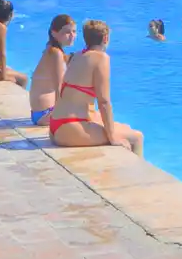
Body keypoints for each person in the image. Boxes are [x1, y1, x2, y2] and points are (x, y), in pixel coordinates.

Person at [47, 19, 144, 156]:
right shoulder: (101, 58)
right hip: (70, 128)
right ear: (105, 38)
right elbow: (104, 102)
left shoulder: (76, 56)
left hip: (56, 125)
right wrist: (112, 137)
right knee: (136, 137)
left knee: (125, 127)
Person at [29, 14, 76, 126]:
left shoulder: (51, 49)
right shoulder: (56, 54)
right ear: (54, 33)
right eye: (67, 32)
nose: (72, 35)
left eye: (74, 31)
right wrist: (62, 113)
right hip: (46, 113)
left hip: (40, 112)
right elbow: (59, 87)